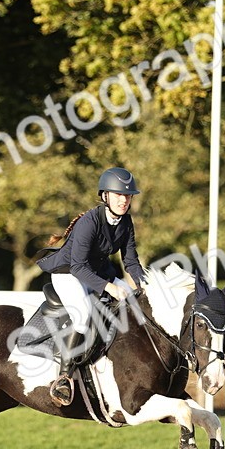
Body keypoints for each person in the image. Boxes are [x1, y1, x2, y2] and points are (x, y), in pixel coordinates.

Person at [36, 166, 148, 406]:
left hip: (96, 273)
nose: (124, 200)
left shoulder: (126, 222)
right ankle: (64, 377)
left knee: (134, 299)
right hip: (68, 273)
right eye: (119, 195)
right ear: (105, 196)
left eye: (128, 196)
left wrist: (145, 283)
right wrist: (108, 287)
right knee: (84, 313)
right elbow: (77, 267)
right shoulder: (89, 222)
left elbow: (130, 261)